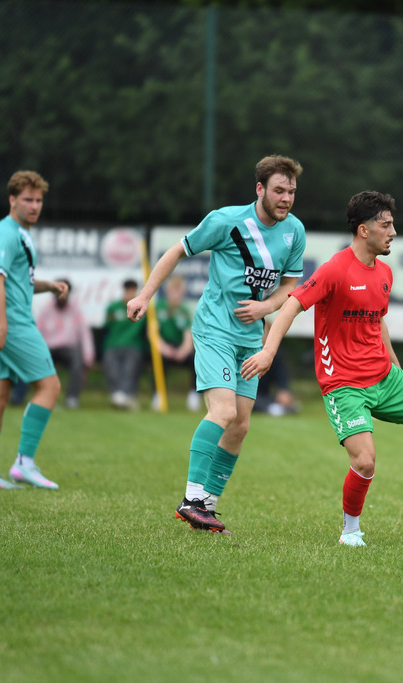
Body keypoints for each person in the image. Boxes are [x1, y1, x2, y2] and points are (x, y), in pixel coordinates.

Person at [241, 191, 403, 547]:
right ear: (363, 230)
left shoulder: (385, 272)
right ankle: (350, 531)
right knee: (365, 461)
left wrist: (396, 367)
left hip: (385, 377)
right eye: (385, 225)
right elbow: (292, 305)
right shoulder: (334, 270)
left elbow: (378, 323)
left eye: (392, 224)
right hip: (343, 384)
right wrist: (268, 352)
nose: (393, 231)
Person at [126, 155, 307, 534]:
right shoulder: (226, 220)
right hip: (214, 331)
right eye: (279, 190)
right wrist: (145, 295)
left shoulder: (295, 231)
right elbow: (178, 250)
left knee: (240, 425)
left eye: (291, 191)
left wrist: (265, 306)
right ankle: (191, 499)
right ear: (260, 189)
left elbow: (290, 288)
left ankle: (206, 507)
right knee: (223, 411)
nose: (286, 198)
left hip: (250, 338)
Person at [0, 170, 68, 490]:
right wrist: (2, 327)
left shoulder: (20, 234)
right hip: (9, 322)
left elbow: (16, 280)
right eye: (27, 199)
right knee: (50, 386)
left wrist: (48, 286)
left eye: (39, 200)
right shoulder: (6, 233)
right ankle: (24, 463)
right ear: (12, 199)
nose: (34, 206)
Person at [36, 278, 95, 409]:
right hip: (49, 347)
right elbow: (38, 332)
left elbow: (84, 334)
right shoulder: (46, 309)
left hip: (69, 348)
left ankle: (72, 398)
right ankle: (47, 398)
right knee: (44, 365)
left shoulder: (75, 310)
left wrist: (88, 356)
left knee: (77, 361)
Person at [153, 276, 200, 412]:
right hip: (163, 347)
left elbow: (188, 335)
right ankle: (158, 394)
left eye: (178, 291)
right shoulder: (158, 308)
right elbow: (153, 333)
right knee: (158, 360)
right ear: (167, 291)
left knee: (196, 358)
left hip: (179, 348)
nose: (176, 295)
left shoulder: (184, 310)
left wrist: (183, 351)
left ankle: (193, 395)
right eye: (173, 291)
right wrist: (164, 349)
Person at [103, 279, 146, 410]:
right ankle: (117, 395)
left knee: (130, 368)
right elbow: (107, 327)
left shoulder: (142, 309)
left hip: (133, 345)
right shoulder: (113, 308)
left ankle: (127, 396)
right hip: (113, 344)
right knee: (112, 367)